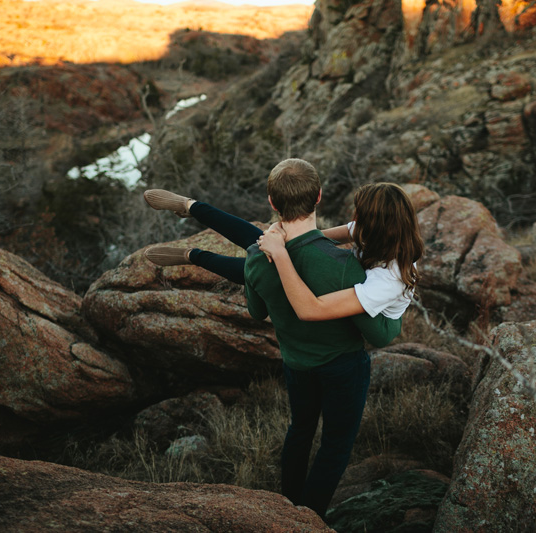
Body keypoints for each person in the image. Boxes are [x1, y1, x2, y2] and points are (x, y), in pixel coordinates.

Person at [143, 159, 401, 518]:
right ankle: (306, 517)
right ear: (319, 197)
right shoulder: (347, 268)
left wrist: (272, 257)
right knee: (335, 446)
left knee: (300, 431)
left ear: (272, 203)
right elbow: (373, 331)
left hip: (296, 362)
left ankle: (193, 228)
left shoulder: (259, 258)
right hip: (341, 367)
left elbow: (256, 312)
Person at [256, 182, 423, 322]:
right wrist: (275, 231)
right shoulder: (377, 232)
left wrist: (279, 253)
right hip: (358, 291)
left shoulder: (390, 279)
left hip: (376, 320)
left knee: (270, 263)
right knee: (262, 254)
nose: (354, 219)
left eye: (360, 215)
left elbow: (309, 310)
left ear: (374, 223)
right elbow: (310, 239)